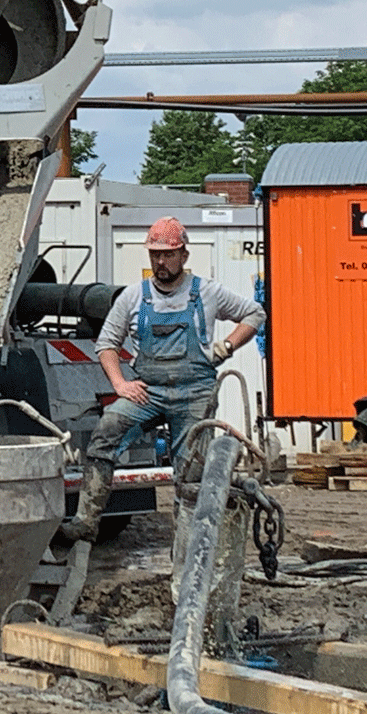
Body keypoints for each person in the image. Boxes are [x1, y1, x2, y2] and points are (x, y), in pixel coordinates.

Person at [63, 217, 264, 541]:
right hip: (149, 391)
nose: (161, 261)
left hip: (194, 393)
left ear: (183, 255)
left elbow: (255, 314)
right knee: (106, 432)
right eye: (155, 254)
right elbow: (106, 344)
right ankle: (86, 521)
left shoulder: (207, 292)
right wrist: (120, 385)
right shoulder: (132, 297)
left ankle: (186, 545)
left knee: (190, 472)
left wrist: (225, 347)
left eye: (168, 254)